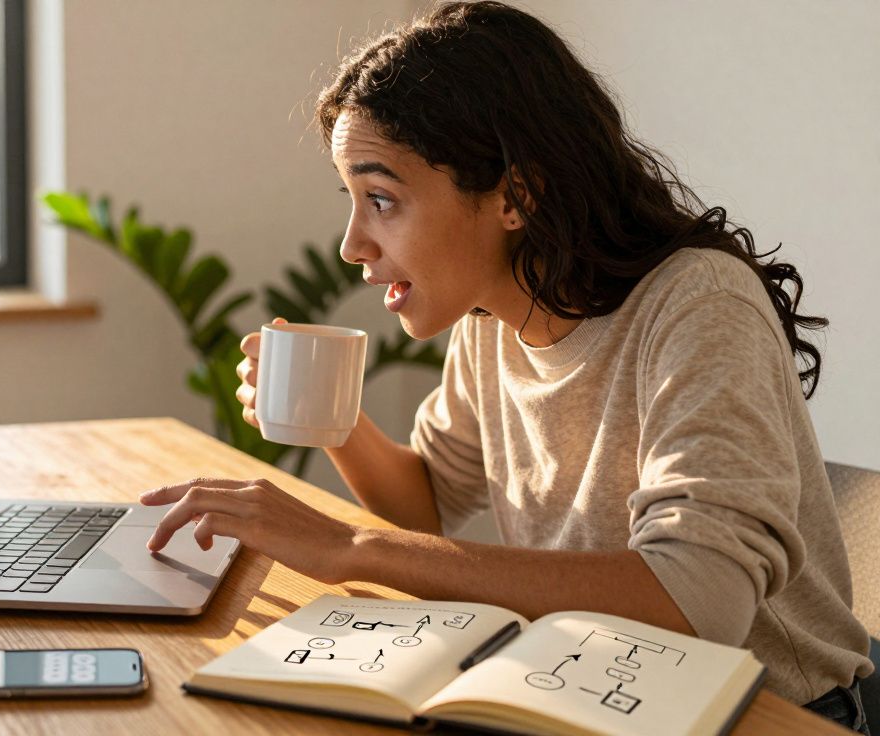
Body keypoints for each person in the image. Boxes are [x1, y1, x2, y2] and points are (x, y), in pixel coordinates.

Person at [138, 1, 872, 731]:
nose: (352, 244)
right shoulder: (492, 317)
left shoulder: (698, 306)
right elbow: (425, 505)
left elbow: (698, 599)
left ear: (516, 195)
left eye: (383, 200)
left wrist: (352, 547)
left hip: (776, 714)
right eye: (354, 202)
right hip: (599, 696)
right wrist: (333, 421)